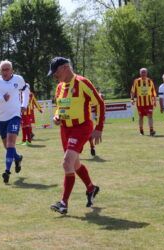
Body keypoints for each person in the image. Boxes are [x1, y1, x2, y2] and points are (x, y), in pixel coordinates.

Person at [47, 57, 104, 214]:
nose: (54, 76)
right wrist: (56, 116)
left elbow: (99, 103)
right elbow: (60, 107)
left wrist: (99, 127)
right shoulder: (59, 87)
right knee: (74, 163)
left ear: (65, 68)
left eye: (56, 72)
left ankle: (63, 203)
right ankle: (91, 188)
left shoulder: (82, 82)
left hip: (81, 127)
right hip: (65, 129)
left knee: (67, 162)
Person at [0, 60, 29, 184]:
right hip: (0, 118)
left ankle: (7, 171)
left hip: (15, 115)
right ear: (0, 71)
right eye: (3, 69)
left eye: (7, 69)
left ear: (12, 70)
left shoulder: (18, 79)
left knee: (10, 143)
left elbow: (26, 90)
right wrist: (2, 98)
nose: (5, 72)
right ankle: (17, 158)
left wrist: (24, 104)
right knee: (7, 146)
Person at [130, 68, 157, 136]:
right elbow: (133, 91)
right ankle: (141, 131)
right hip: (140, 103)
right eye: (142, 72)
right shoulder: (136, 81)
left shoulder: (150, 81)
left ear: (147, 73)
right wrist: (132, 99)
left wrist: (154, 100)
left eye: (144, 72)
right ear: (140, 73)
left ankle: (151, 130)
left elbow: (153, 91)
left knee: (150, 116)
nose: (143, 73)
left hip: (149, 102)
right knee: (141, 117)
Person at [89, 87, 105, 156]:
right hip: (86, 115)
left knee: (89, 133)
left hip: (90, 116)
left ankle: (92, 146)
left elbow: (101, 103)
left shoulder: (98, 95)